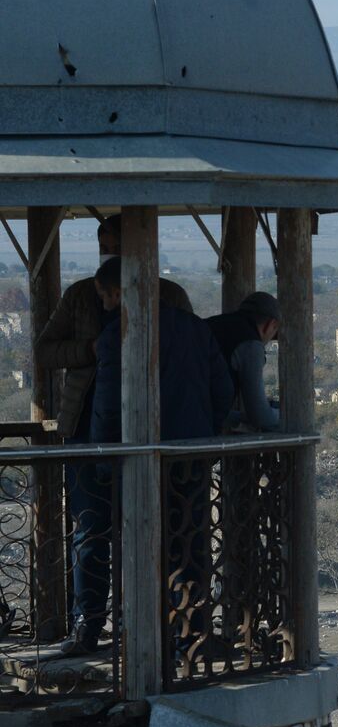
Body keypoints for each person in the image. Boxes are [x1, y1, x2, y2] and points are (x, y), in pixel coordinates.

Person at [34, 215, 192, 655]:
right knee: (90, 532)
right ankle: (89, 626)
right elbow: (44, 351)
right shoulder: (83, 296)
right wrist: (89, 352)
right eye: (106, 247)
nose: (112, 256)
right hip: (88, 431)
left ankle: (153, 628)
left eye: (119, 247)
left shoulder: (170, 296)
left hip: (154, 429)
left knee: (154, 530)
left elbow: (187, 351)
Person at [69, 258, 233, 656]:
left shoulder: (117, 336)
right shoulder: (196, 328)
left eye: (106, 297)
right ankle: (190, 636)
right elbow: (223, 391)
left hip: (137, 463)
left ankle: (140, 640)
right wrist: (205, 435)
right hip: (190, 457)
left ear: (119, 293)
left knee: (139, 546)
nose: (105, 306)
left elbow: (108, 409)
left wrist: (104, 459)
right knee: (189, 544)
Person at [206, 292, 281, 432]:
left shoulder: (213, 324)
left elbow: (206, 406)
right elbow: (262, 418)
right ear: (271, 325)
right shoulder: (250, 344)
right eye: (274, 334)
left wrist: (240, 417)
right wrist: (285, 415)